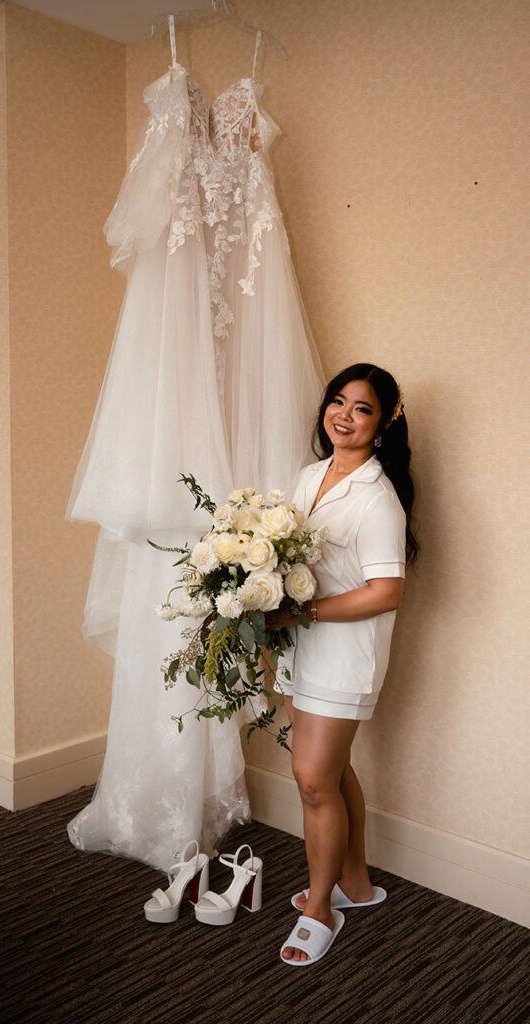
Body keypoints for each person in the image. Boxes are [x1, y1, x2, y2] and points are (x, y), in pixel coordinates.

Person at [266, 363, 418, 966]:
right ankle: (355, 883)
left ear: (382, 425)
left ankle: (321, 907)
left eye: (362, 409)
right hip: (304, 648)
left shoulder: (378, 499)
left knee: (311, 781)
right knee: (328, 773)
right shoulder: (310, 476)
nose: (345, 416)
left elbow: (387, 592)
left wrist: (300, 616)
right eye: (338, 401)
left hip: (343, 654)